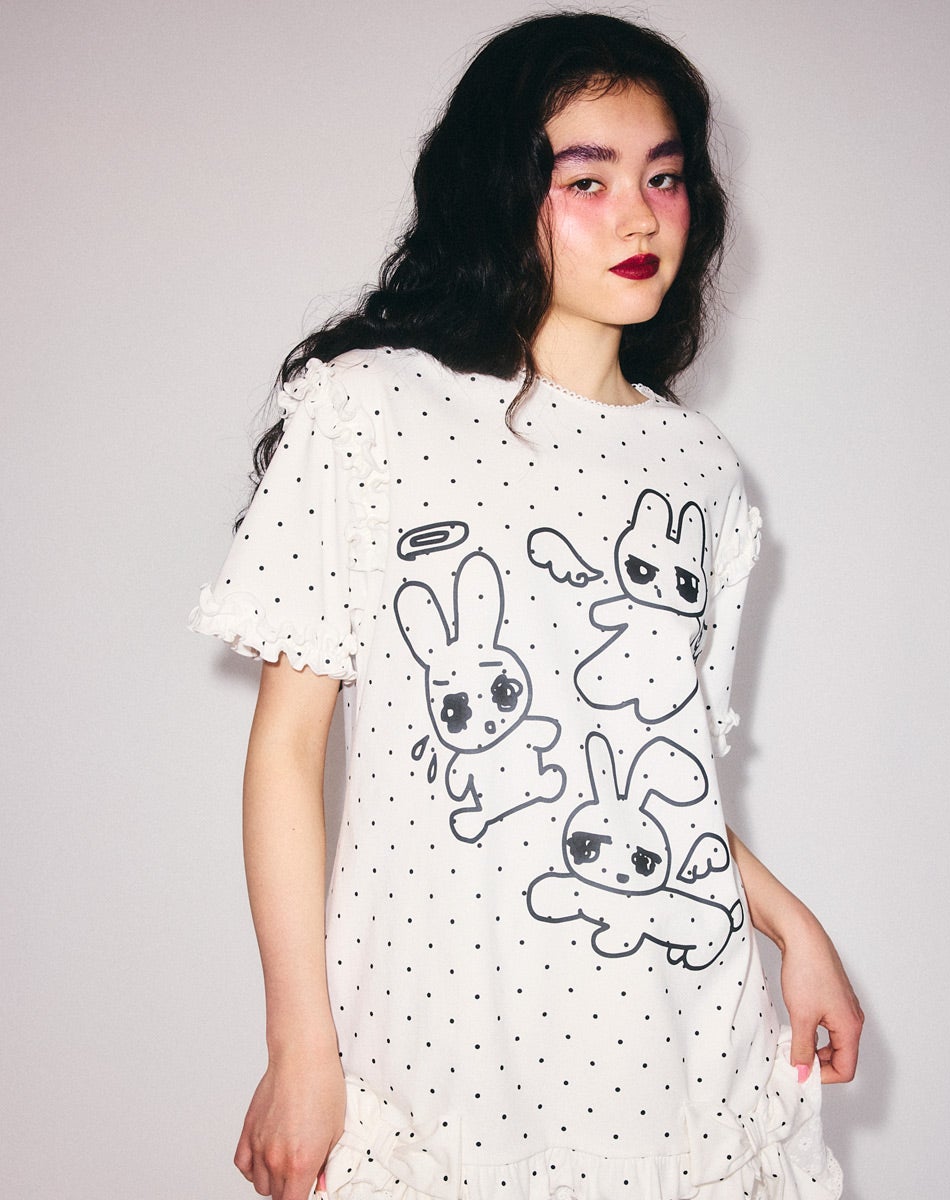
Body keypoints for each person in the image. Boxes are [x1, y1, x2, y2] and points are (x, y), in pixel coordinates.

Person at [191, 12, 863, 1200]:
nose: (639, 217)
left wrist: (789, 924)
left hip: (674, 1042)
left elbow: (656, 772)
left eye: (663, 177)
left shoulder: (699, 471)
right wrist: (300, 1050)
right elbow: (288, 753)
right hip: (444, 1044)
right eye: (586, 180)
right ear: (501, 192)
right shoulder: (370, 409)